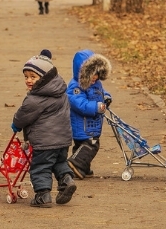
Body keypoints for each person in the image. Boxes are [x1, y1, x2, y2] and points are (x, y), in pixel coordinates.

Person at [11, 52, 77, 207]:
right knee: (59, 162)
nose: (28, 80)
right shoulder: (61, 92)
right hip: (63, 140)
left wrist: (16, 124)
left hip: (44, 142)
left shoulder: (35, 99)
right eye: (26, 76)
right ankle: (66, 180)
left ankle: (43, 196)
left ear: (44, 78)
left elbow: (23, 116)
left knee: (40, 167)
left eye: (33, 77)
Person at [66, 49, 112, 180]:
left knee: (81, 146)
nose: (95, 78)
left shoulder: (96, 84)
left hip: (92, 123)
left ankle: (82, 168)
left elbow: (101, 92)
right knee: (92, 145)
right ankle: (75, 163)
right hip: (82, 124)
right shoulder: (75, 86)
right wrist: (96, 107)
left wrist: (107, 97)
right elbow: (78, 103)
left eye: (97, 74)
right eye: (92, 75)